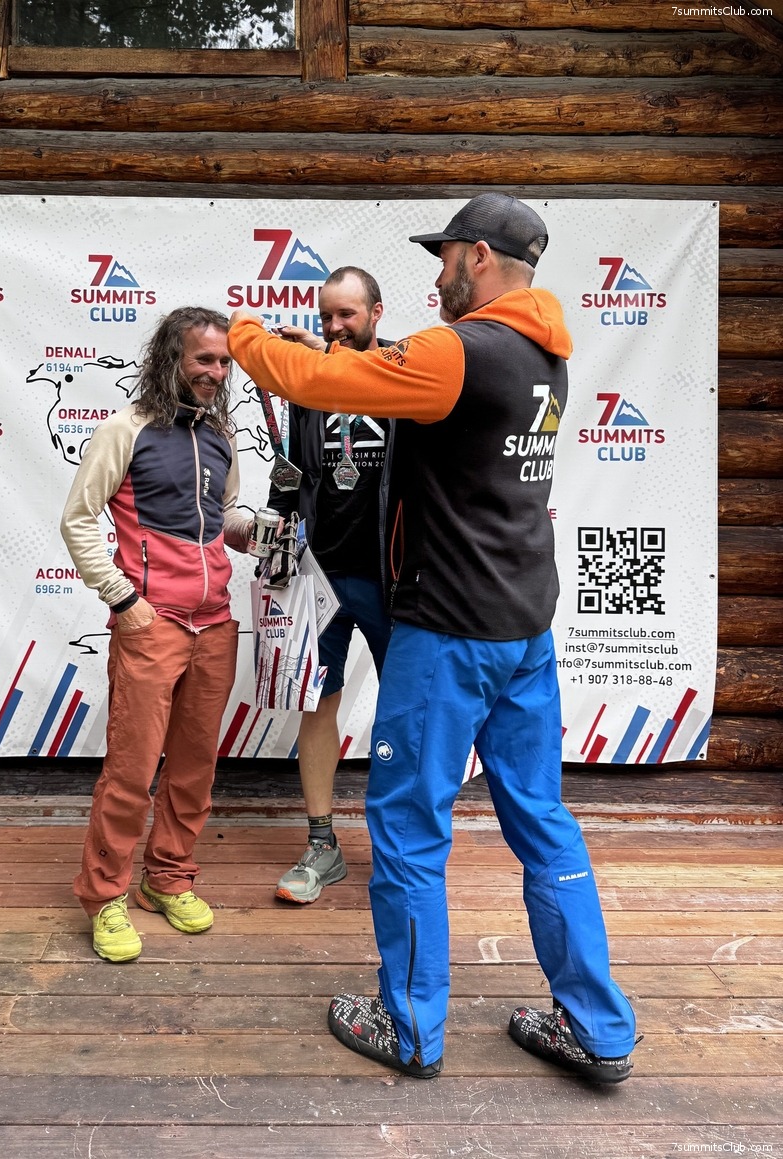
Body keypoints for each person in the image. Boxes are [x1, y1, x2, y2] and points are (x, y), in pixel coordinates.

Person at [227, 194, 638, 1082]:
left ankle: (410, 1025)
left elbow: (320, 384)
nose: (437, 274)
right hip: (522, 627)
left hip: (448, 629)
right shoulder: (544, 353)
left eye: (444, 256)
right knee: (542, 821)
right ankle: (599, 1028)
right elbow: (374, 377)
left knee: (409, 824)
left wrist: (247, 335)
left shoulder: (461, 350)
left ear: (478, 256)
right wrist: (321, 351)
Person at [61, 306, 252, 963]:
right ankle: (104, 895)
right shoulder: (126, 429)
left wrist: (257, 531)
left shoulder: (221, 433)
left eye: (224, 362)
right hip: (153, 623)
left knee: (194, 769)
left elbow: (223, 515)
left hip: (215, 622)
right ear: (171, 357)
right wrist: (124, 600)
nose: (215, 372)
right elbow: (79, 518)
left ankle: (167, 877)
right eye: (204, 359)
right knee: (132, 769)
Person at [264, 267, 393, 904]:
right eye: (326, 317)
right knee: (317, 705)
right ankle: (322, 844)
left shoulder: (404, 373)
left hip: (394, 578)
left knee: (409, 710)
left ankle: (400, 844)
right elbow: (293, 467)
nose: (336, 327)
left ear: (376, 313)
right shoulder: (310, 384)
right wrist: (277, 532)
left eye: (348, 315)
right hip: (322, 574)